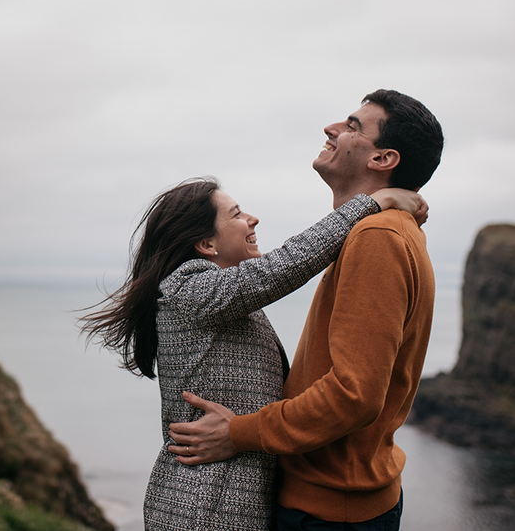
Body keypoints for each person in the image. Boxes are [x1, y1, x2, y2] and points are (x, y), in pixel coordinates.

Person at [81, 173, 428, 531]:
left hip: (221, 503)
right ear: (205, 243)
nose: (252, 219)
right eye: (236, 214)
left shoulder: (221, 302)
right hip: (201, 509)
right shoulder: (186, 289)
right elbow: (283, 266)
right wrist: (373, 202)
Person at [166, 89, 444, 531]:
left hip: (330, 511)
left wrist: (239, 433)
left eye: (353, 126)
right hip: (338, 501)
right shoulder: (380, 231)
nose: (332, 129)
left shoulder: (378, 237)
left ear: (383, 159)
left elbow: (353, 396)